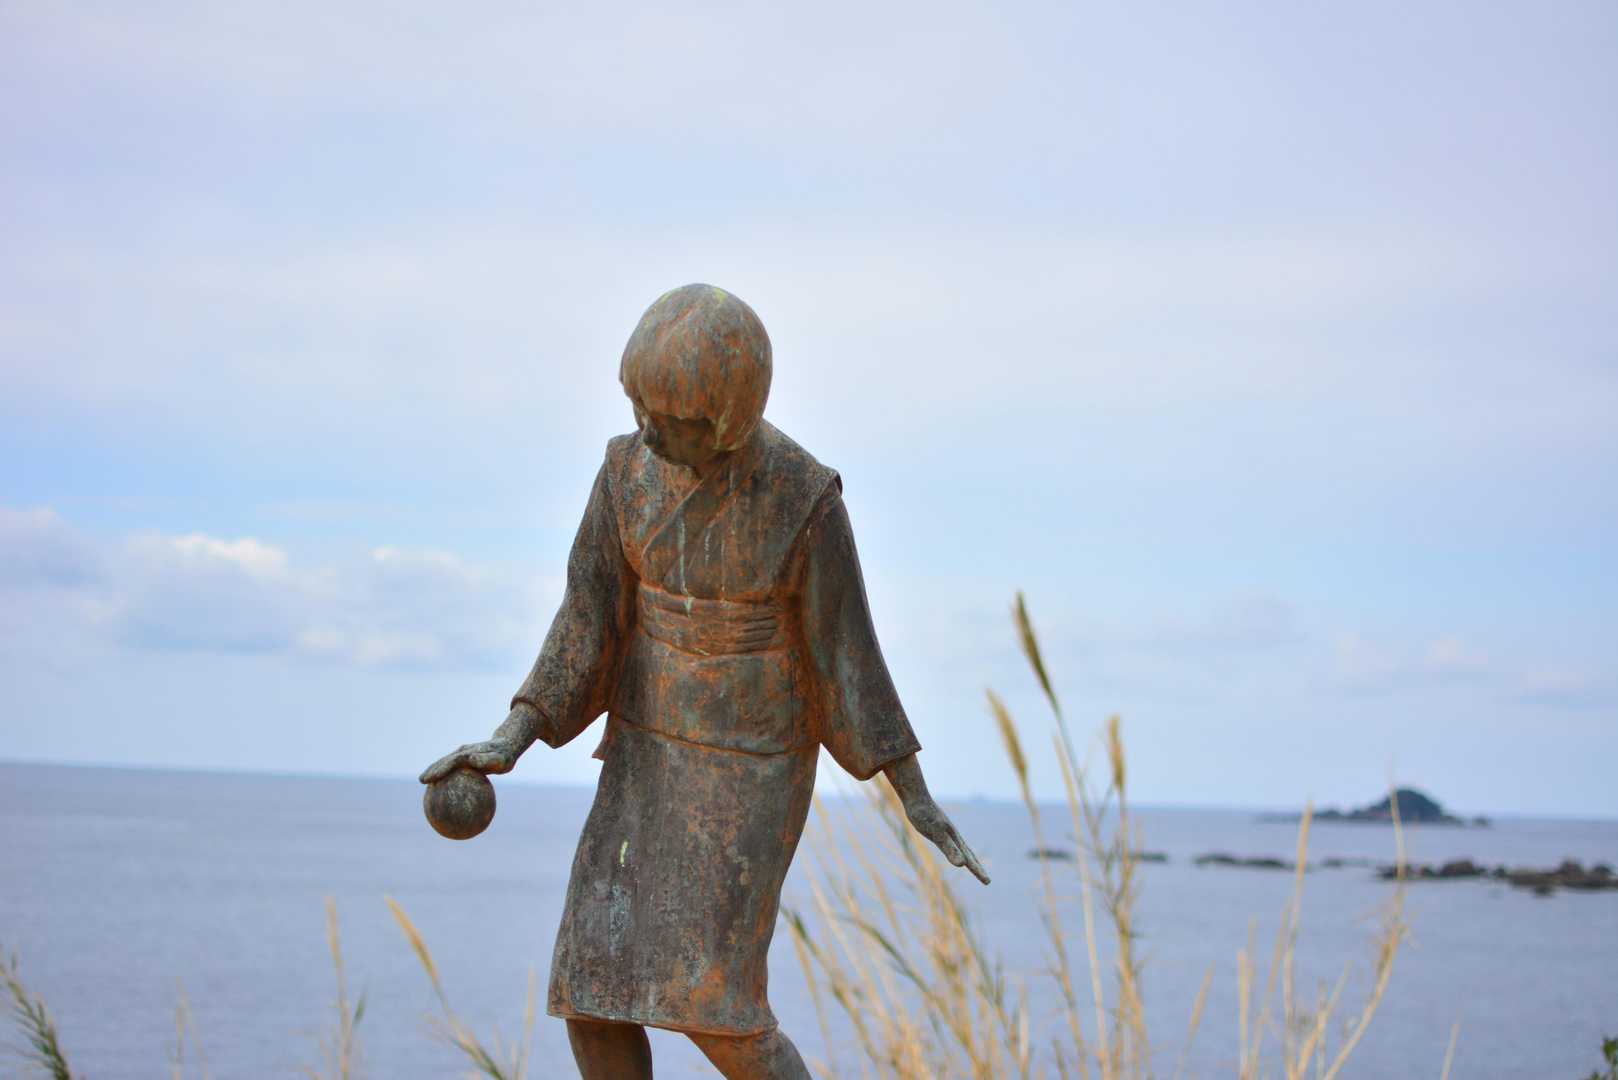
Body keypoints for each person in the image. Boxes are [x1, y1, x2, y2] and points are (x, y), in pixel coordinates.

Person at [420, 283, 987, 1079]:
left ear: (728, 420)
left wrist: (913, 793)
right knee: (593, 989)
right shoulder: (623, 473)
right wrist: (509, 738)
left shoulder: (802, 498)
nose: (648, 431)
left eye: (671, 419)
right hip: (646, 752)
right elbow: (586, 618)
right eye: (638, 408)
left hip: (751, 770)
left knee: (717, 1009)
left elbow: (847, 655)